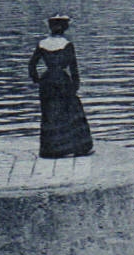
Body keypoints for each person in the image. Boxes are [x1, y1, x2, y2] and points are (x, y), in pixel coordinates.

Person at [28, 14, 94, 158]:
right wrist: (75, 86)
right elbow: (73, 68)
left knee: (49, 114)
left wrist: (38, 80)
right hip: (62, 81)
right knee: (70, 112)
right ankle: (77, 147)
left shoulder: (42, 44)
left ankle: (51, 149)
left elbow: (32, 65)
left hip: (47, 81)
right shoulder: (67, 45)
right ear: (64, 28)